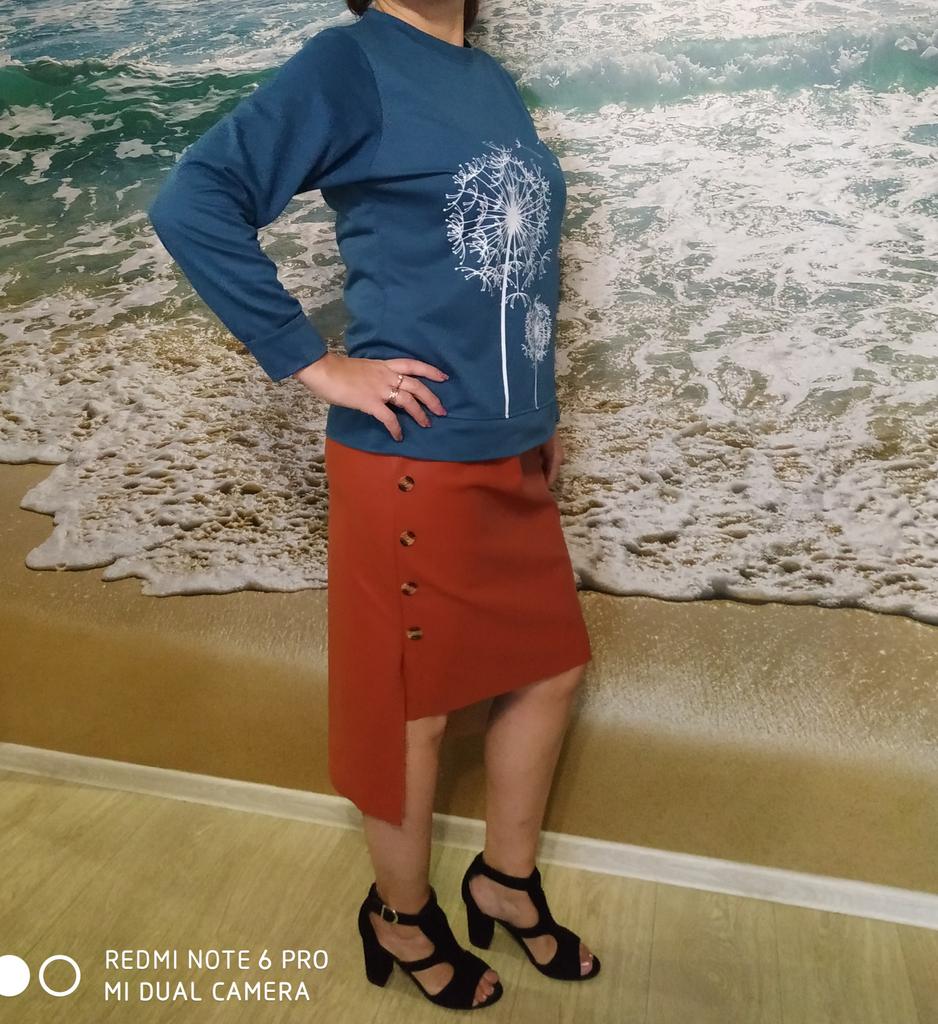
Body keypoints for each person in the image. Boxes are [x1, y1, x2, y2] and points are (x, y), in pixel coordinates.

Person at [147, 0, 599, 1010]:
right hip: (412, 458)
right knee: (413, 710)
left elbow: (512, 268)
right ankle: (399, 916)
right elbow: (193, 199)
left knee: (549, 668)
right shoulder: (348, 61)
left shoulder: (483, 77)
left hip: (507, 447)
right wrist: (313, 362)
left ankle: (504, 882)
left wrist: (535, 406)